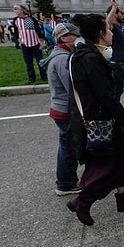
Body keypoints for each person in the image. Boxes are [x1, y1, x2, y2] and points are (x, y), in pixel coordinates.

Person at [66, 13, 124, 226]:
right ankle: (82, 202)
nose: (112, 33)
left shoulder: (86, 53)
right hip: (101, 120)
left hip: (98, 118)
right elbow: (106, 97)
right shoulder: (90, 59)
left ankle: (123, 197)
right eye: (109, 29)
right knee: (108, 167)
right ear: (101, 34)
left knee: (121, 160)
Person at [39, 22, 82, 195]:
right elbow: (72, 87)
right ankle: (65, 183)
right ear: (64, 38)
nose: (78, 38)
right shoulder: (62, 59)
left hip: (61, 108)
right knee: (69, 147)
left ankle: (66, 180)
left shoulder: (61, 55)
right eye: (75, 35)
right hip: (65, 110)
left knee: (67, 146)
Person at [13, 4, 47, 83]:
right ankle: (31, 77)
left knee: (40, 60)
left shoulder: (31, 19)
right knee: (28, 62)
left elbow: (38, 31)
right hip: (25, 43)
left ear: (22, 10)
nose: (15, 10)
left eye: (16, 9)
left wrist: (42, 41)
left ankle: (44, 75)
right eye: (14, 9)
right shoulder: (16, 20)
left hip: (35, 42)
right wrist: (18, 40)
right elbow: (16, 31)